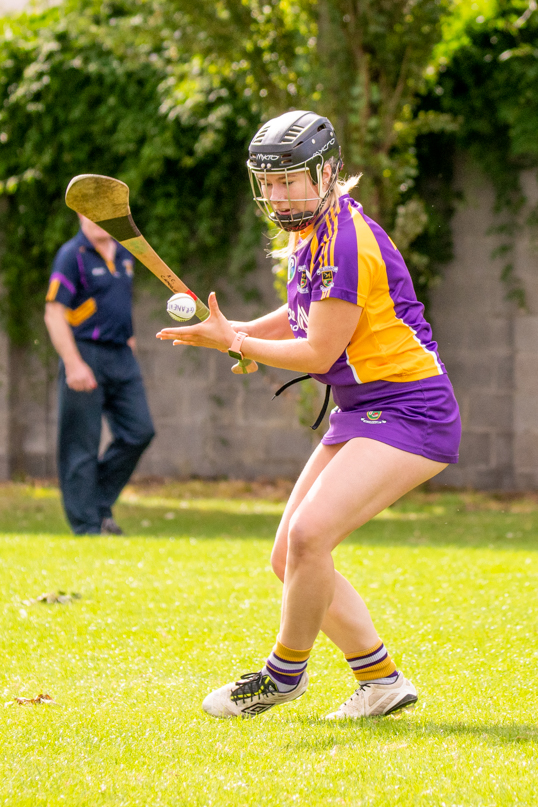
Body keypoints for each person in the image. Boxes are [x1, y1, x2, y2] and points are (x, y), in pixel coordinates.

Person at [157, 110, 461, 719]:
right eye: (267, 183)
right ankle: (381, 682)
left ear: (326, 173)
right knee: (288, 556)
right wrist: (238, 329)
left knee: (309, 535)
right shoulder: (315, 233)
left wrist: (236, 344)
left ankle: (282, 676)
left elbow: (319, 349)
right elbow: (304, 311)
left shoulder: (346, 241)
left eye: (289, 181)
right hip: (364, 408)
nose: (276, 194)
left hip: (411, 410)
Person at [45, 214, 155, 535]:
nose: (94, 220)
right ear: (78, 215)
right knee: (81, 444)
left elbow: (119, 306)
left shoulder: (124, 255)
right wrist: (74, 363)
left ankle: (96, 502)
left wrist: (130, 344)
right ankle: (88, 526)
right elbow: (54, 314)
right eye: (87, 213)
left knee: (139, 431)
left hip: (121, 354)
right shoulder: (72, 255)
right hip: (84, 353)